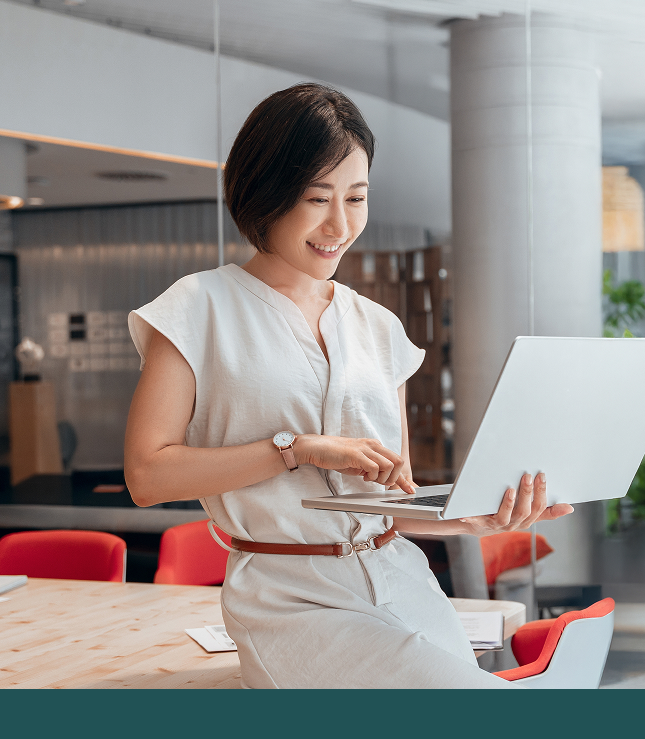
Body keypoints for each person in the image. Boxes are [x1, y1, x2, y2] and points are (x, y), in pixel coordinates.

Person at [124, 83, 573, 688]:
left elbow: (393, 501)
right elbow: (148, 477)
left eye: (357, 198)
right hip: (290, 600)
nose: (341, 224)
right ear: (265, 195)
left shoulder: (377, 326)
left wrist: (472, 521)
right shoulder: (196, 308)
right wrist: (296, 450)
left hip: (402, 580)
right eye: (317, 199)